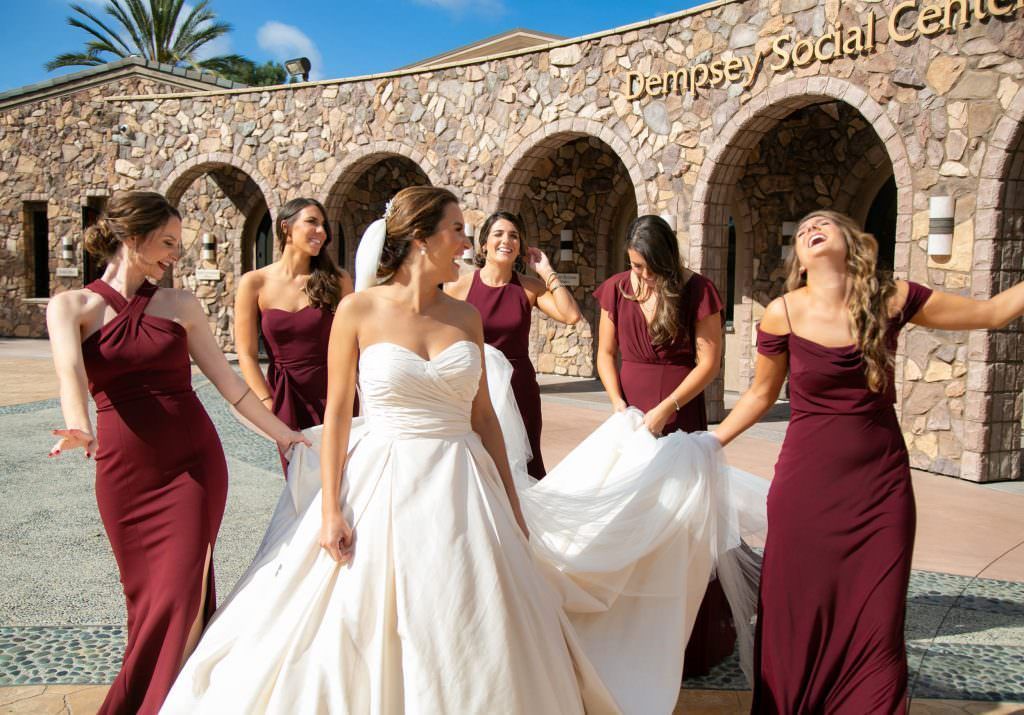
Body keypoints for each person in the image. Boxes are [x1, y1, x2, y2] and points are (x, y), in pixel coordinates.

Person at [162, 186, 764, 714]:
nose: (466, 242)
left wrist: (511, 499)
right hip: (384, 479)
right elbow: (342, 415)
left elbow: (483, 417)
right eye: (457, 230)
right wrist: (330, 510)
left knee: (474, 613)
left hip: (464, 480)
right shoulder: (357, 310)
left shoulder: (464, 318)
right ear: (421, 238)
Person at [711, 209, 1024, 713]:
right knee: (798, 611)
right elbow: (760, 394)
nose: (813, 229)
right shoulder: (782, 312)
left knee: (876, 622)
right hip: (805, 491)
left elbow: (991, 314)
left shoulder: (892, 297)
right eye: (805, 229)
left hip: (879, 489)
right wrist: (710, 440)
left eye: (824, 223)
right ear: (798, 257)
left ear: (850, 239)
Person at [45, 191, 308, 715]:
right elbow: (70, 376)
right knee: (147, 599)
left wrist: (282, 433)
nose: (174, 255)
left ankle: (157, 706)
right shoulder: (70, 307)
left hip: (193, 466)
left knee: (181, 593)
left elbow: (230, 385)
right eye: (166, 243)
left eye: (178, 245)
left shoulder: (181, 306)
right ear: (130, 237)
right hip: (124, 471)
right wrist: (78, 425)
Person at [593, 214, 735, 677]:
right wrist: (618, 404)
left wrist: (667, 407)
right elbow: (605, 353)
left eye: (648, 267)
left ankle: (684, 639)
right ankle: (628, 627)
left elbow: (709, 362)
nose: (640, 275)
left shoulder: (698, 290)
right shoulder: (616, 289)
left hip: (680, 415)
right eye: (634, 265)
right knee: (628, 514)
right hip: (630, 418)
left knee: (680, 520)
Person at [445, 211, 581, 478]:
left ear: (520, 246)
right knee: (478, 465)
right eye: (498, 234)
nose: (506, 240)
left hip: (519, 388)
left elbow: (571, 315)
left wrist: (546, 270)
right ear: (484, 243)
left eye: (513, 236)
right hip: (476, 387)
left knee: (525, 467)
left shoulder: (529, 288)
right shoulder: (458, 287)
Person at [235, 197, 354, 473]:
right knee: (298, 477)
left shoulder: (338, 280)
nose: (321, 231)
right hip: (285, 394)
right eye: (312, 222)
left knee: (342, 476)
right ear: (285, 226)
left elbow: (355, 341)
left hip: (333, 389)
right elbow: (246, 353)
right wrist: (267, 403)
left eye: (324, 225)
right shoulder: (254, 282)